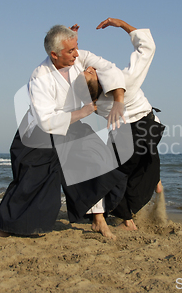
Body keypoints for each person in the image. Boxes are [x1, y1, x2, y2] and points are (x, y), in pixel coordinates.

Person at [0, 23, 127, 239]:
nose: (77, 54)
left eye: (77, 47)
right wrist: (84, 111)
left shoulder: (79, 58)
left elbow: (109, 68)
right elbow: (46, 121)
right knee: (34, 179)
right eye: (70, 50)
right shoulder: (39, 76)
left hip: (70, 126)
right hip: (39, 131)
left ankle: (98, 218)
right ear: (54, 55)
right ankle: (2, 226)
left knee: (98, 159)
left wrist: (118, 100)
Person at [78, 18, 165, 231]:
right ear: (95, 82)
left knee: (122, 170)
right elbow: (148, 47)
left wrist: (74, 46)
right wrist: (121, 25)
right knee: (128, 173)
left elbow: (74, 71)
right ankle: (128, 216)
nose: (91, 68)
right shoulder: (124, 81)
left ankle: (128, 211)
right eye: (90, 73)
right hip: (147, 128)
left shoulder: (93, 103)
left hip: (127, 133)